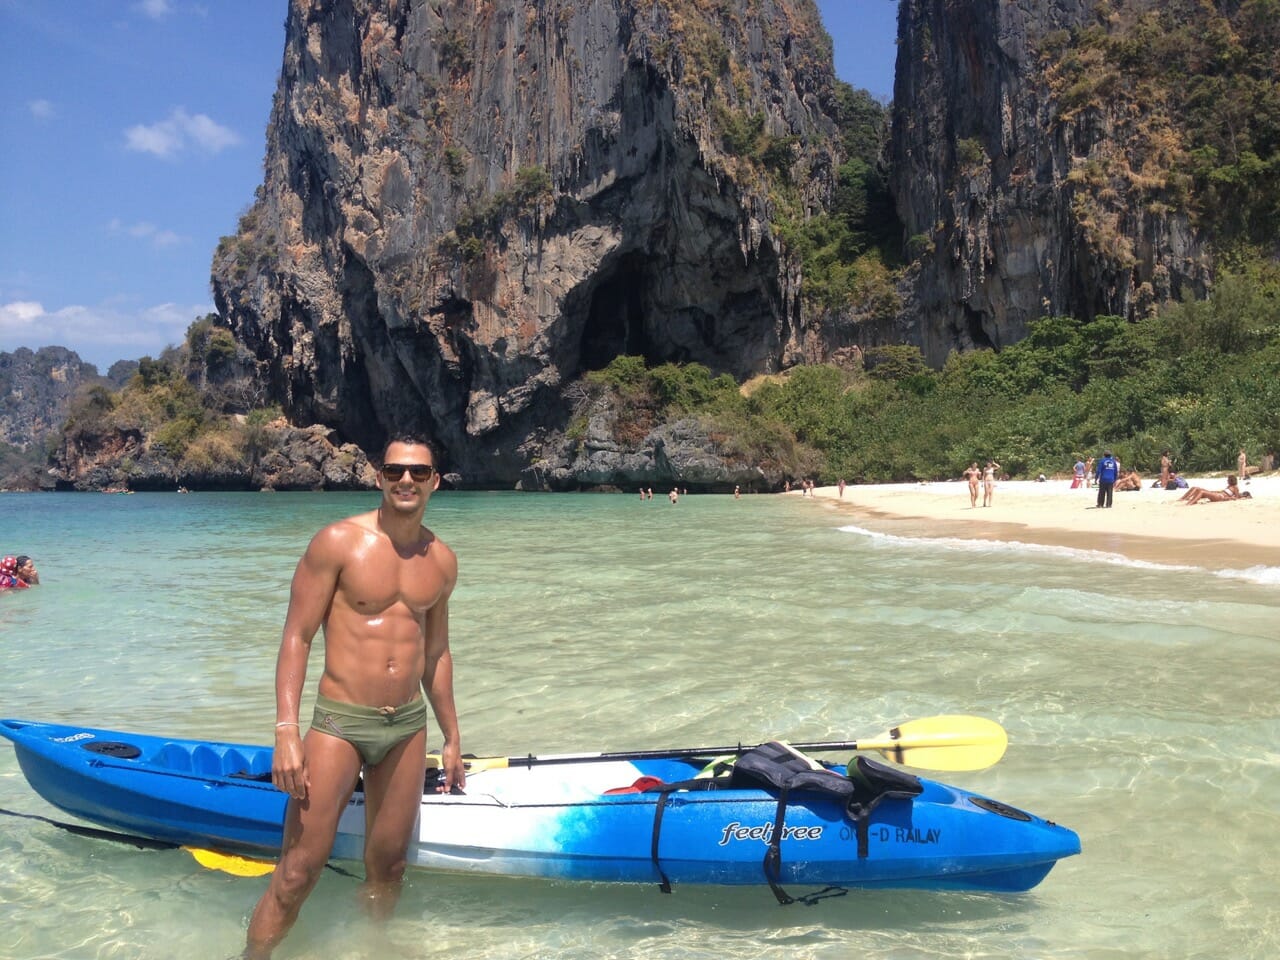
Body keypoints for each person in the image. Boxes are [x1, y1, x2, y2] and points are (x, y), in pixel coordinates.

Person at [244, 436, 463, 959]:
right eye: (393, 471)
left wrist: (453, 736)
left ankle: (372, 950)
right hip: (339, 724)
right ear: (378, 477)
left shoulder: (442, 562)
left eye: (417, 472)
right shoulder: (337, 543)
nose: (405, 481)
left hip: (407, 728)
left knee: (388, 869)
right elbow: (296, 636)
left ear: (435, 481)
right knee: (298, 869)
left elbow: (436, 655)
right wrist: (286, 732)